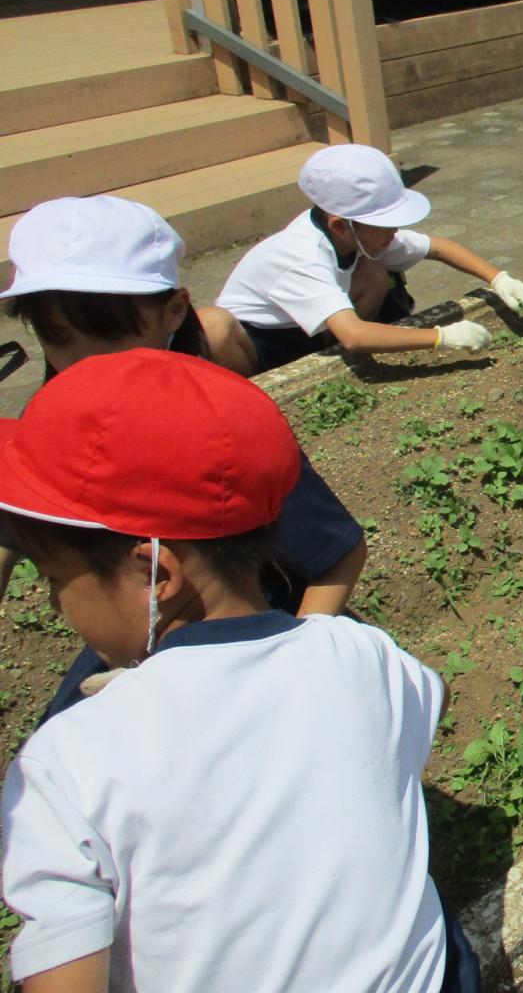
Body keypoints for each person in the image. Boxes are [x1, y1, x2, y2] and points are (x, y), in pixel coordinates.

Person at [0, 349, 479, 992]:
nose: (55, 602)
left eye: (55, 577)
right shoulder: (360, 654)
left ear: (156, 576)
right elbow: (434, 696)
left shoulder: (66, 762)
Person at [1, 194, 367, 720]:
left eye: (109, 335)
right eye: (58, 338)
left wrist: (297, 658)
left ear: (174, 310)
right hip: (139, 638)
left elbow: (337, 552)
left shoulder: (209, 430)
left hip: (248, 631)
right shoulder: (54, 414)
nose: (84, 362)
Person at [210, 144, 523, 374]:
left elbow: (436, 247)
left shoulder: (358, 236)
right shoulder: (301, 257)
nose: (394, 230)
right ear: (340, 224)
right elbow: (354, 335)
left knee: (375, 271)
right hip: (262, 338)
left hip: (315, 328)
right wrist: (440, 337)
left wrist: (498, 279)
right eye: (384, 224)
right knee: (213, 327)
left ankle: (334, 359)